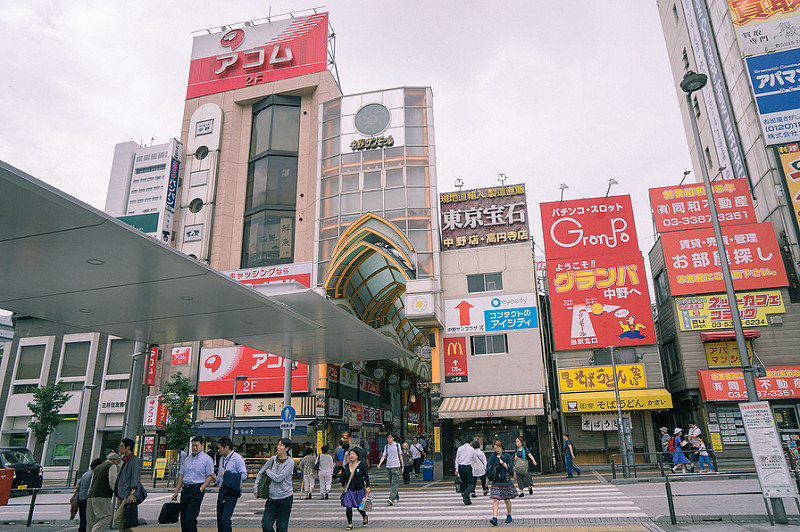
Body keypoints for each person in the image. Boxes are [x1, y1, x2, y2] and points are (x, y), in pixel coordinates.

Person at [172, 436, 215, 532]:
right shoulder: (187, 459)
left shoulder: (207, 459)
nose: (194, 448)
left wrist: (201, 488)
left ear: (202, 445)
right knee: (183, 518)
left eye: (196, 445)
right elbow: (181, 475)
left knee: (190, 518)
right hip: (186, 489)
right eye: (193, 446)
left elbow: (210, 476)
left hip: (197, 489)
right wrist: (176, 492)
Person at [254, 437, 295, 532]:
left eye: (281, 445)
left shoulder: (290, 462)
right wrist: (255, 488)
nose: (278, 447)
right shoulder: (272, 459)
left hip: (285, 498)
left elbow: (279, 478)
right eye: (278, 444)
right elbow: (260, 473)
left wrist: (268, 472)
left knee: (281, 527)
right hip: (271, 498)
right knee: (266, 526)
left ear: (287, 448)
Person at [216, 437, 247, 532]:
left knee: (225, 519)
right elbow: (219, 476)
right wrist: (216, 479)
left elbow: (244, 475)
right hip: (222, 490)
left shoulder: (237, 458)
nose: (218, 450)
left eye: (220, 448)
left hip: (231, 492)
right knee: (220, 519)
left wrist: (228, 476)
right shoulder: (221, 459)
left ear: (227, 447)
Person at [86, 452, 120, 532]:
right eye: (117, 461)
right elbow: (112, 480)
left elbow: (92, 482)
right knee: (107, 516)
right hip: (103, 495)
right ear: (114, 460)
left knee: (91, 521)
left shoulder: (98, 467)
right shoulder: (112, 466)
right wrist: (116, 492)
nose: (118, 463)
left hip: (91, 496)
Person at [114, 438, 142, 532]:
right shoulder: (125, 461)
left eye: (121, 446)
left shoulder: (134, 461)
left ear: (128, 447)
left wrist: (132, 494)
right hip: (122, 495)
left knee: (118, 519)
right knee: (122, 522)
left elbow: (135, 478)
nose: (119, 448)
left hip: (128, 495)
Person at [487, 439, 516, 526]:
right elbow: (488, 466)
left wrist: (503, 463)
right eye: (495, 448)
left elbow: (510, 468)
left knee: (507, 500)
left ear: (501, 447)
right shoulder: (492, 456)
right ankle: (494, 518)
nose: (497, 450)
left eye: (498, 448)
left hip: (504, 480)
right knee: (495, 500)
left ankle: (509, 515)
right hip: (496, 480)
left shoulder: (506, 456)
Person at [340, 448, 370, 530]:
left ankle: (364, 516)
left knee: (359, 507)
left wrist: (367, 486)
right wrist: (343, 485)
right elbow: (344, 477)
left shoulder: (361, 465)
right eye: (350, 454)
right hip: (350, 490)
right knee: (348, 507)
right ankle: (350, 524)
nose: (351, 456)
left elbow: (366, 476)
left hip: (359, 490)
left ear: (357, 456)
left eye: (353, 454)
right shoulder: (346, 466)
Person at [76, 458, 104, 532]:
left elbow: (77, 486)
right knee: (88, 519)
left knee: (83, 518)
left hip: (80, 497)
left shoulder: (86, 473)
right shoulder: (94, 474)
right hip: (87, 498)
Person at [376, 432, 404, 505]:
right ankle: (396, 496)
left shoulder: (397, 445)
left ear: (393, 438)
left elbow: (400, 456)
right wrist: (379, 464)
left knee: (394, 482)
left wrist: (402, 466)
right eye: (388, 437)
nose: (389, 439)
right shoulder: (386, 446)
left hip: (396, 466)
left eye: (390, 437)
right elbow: (384, 456)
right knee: (392, 483)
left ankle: (391, 498)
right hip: (389, 466)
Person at [455, 437, 477, 505]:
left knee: (464, 483)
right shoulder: (472, 449)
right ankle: (466, 493)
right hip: (467, 467)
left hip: (460, 467)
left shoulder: (460, 448)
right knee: (471, 483)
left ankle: (467, 500)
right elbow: (475, 460)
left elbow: (457, 459)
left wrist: (456, 469)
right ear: (471, 442)